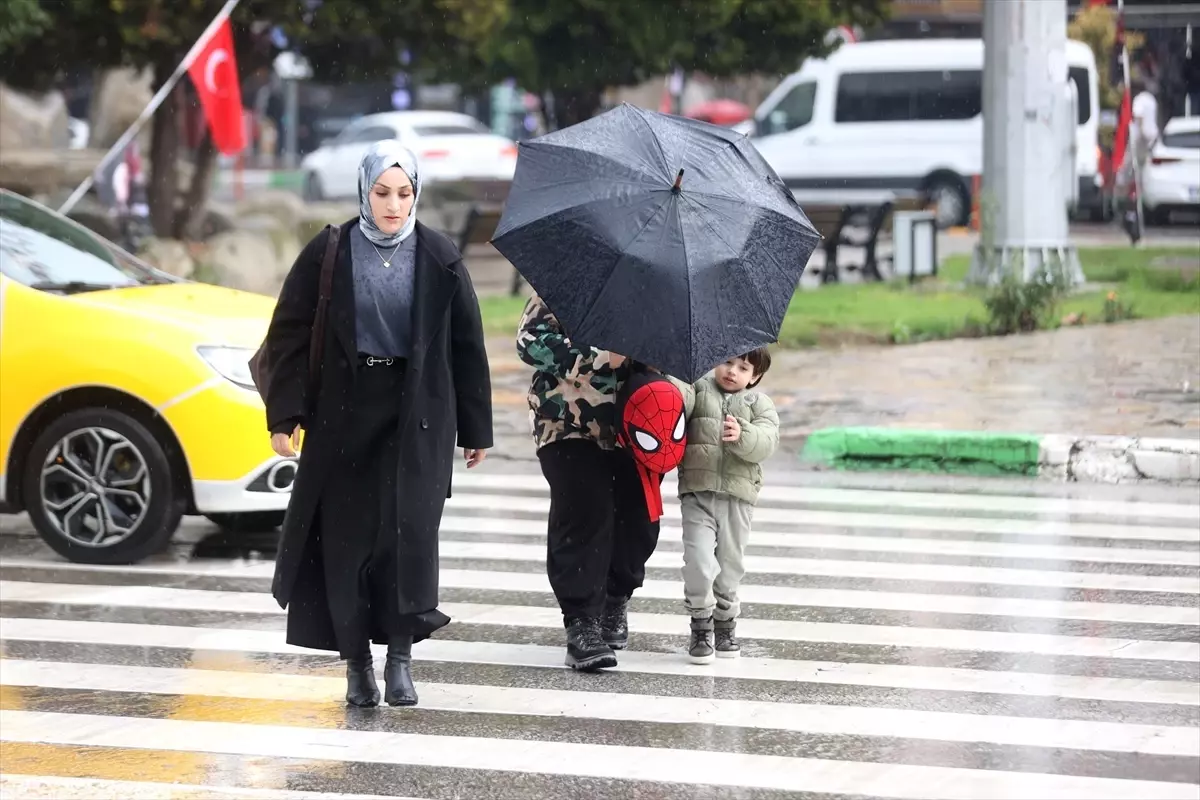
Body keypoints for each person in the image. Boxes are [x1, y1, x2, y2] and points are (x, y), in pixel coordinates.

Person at [259, 140, 493, 708]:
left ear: (417, 194)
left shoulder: (438, 256)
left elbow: (467, 345)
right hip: (345, 412)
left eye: (404, 193)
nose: (393, 204)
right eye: (382, 192)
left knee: (407, 540)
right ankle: (358, 664)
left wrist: (475, 428)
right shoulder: (330, 251)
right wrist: (284, 415)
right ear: (364, 191)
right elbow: (289, 332)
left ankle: (401, 660)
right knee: (348, 544)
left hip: (419, 416)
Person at [516, 294, 661, 671]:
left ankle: (617, 597)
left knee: (639, 520)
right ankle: (581, 622)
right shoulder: (561, 281)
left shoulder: (660, 288)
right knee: (585, 511)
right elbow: (531, 342)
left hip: (638, 424)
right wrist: (600, 358)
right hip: (566, 423)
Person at [669, 349, 779, 664]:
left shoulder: (760, 405)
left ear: (754, 377)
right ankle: (701, 624)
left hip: (738, 498)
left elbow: (768, 441)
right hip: (698, 493)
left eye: (743, 368)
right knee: (700, 562)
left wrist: (744, 436)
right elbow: (676, 400)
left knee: (730, 566)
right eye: (727, 362)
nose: (732, 371)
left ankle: (725, 622)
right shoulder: (698, 388)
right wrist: (678, 375)